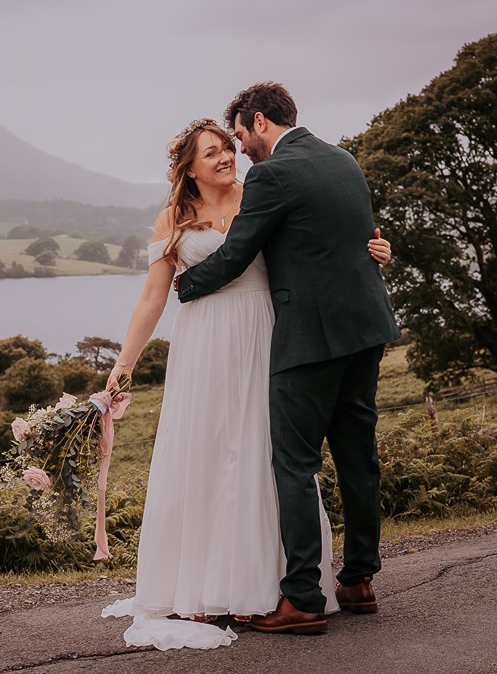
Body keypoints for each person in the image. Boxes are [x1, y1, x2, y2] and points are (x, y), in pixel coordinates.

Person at [100, 115, 392, 649]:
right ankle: (206, 588)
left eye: (227, 147)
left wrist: (375, 251)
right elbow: (152, 297)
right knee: (208, 455)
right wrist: (124, 365)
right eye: (210, 152)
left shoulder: (260, 190)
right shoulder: (171, 218)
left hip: (267, 336)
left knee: (267, 456)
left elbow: (317, 243)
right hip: (203, 347)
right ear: (187, 167)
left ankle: (275, 583)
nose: (224, 156)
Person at [175, 83, 401, 635]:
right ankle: (359, 580)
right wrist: (381, 248)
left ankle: (301, 597)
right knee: (357, 456)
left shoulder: (273, 173)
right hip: (365, 330)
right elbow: (342, 238)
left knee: (294, 464)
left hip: (310, 340)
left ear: (258, 121)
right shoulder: (342, 159)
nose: (242, 149)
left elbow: (236, 255)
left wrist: (184, 283)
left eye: (242, 135)